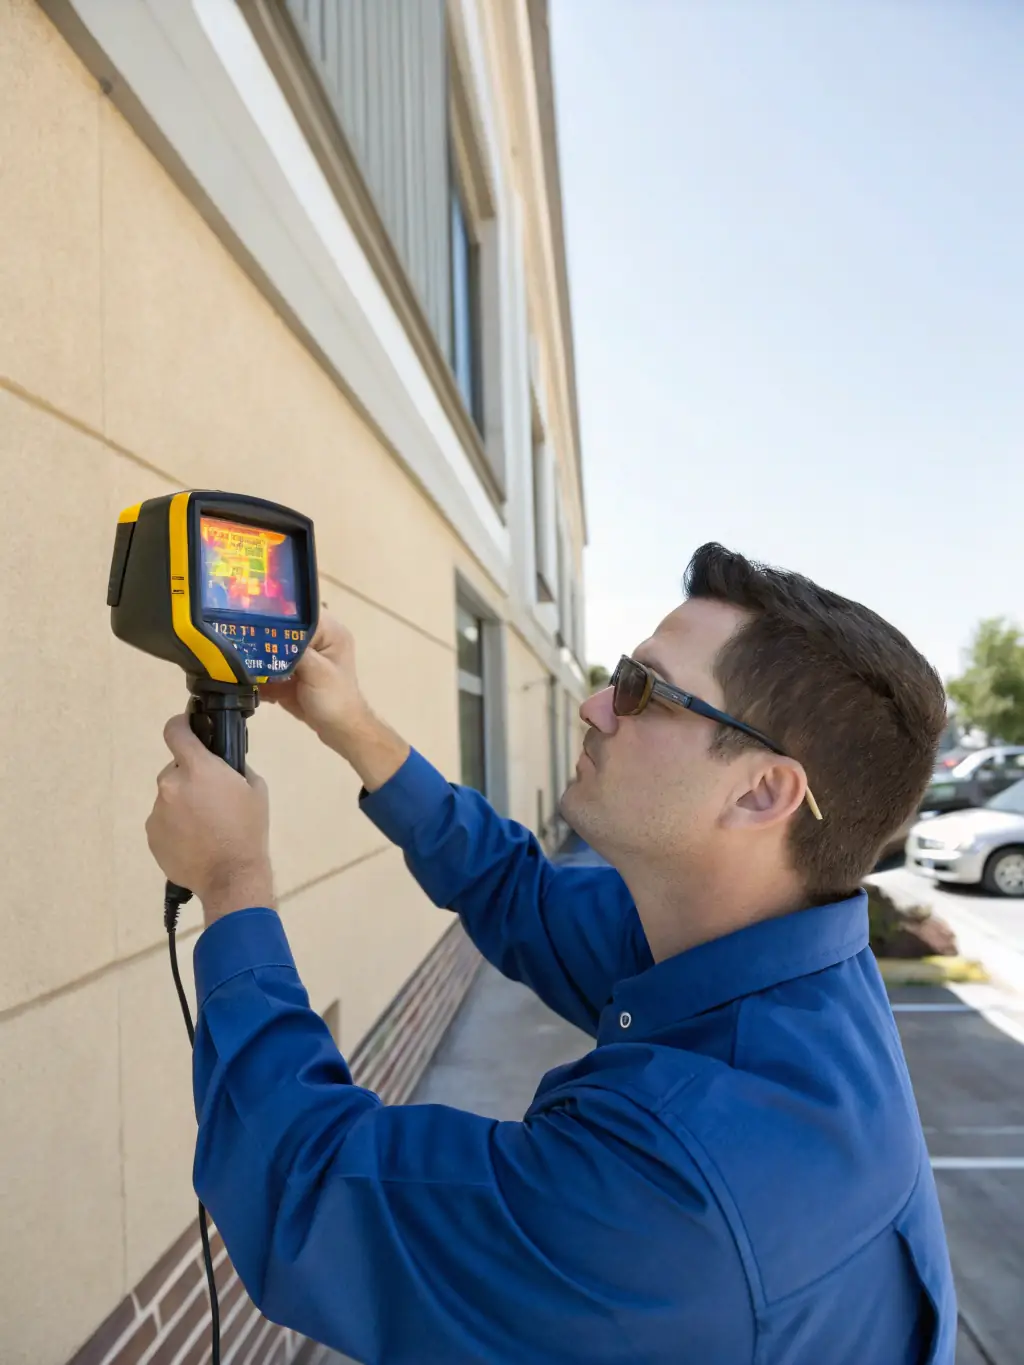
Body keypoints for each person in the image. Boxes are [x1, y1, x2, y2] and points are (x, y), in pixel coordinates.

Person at [147, 542, 957, 1365]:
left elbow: (309, 1188)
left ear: (760, 791)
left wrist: (231, 876)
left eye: (644, 690)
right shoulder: (778, 960)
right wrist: (352, 725)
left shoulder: (670, 1193)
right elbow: (521, 894)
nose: (596, 705)